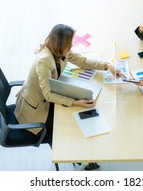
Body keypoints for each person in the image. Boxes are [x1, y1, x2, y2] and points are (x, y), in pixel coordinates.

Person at [14, 23, 122, 170]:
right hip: (37, 108)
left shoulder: (59, 51)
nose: (71, 46)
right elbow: (47, 94)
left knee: (80, 114)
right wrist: (75, 102)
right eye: (69, 44)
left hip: (52, 94)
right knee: (74, 122)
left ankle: (83, 156)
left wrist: (107, 66)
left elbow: (82, 61)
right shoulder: (43, 60)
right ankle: (78, 157)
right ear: (60, 44)